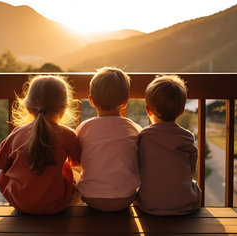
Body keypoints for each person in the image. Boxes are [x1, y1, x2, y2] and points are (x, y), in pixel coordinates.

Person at [0, 75, 81, 215]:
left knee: (1, 175)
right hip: (56, 205)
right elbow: (78, 162)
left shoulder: (17, 133)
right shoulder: (67, 135)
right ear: (64, 108)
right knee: (73, 170)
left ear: (28, 107)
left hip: (21, 204)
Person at [76, 67, 142, 212]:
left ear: (91, 101)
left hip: (90, 197)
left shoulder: (83, 128)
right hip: (125, 198)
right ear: (125, 101)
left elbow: (77, 159)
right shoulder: (135, 128)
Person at [137, 75, 201, 216]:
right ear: (181, 111)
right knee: (195, 187)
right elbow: (191, 169)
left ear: (148, 110)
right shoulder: (187, 137)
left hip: (150, 206)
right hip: (185, 206)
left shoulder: (144, 136)